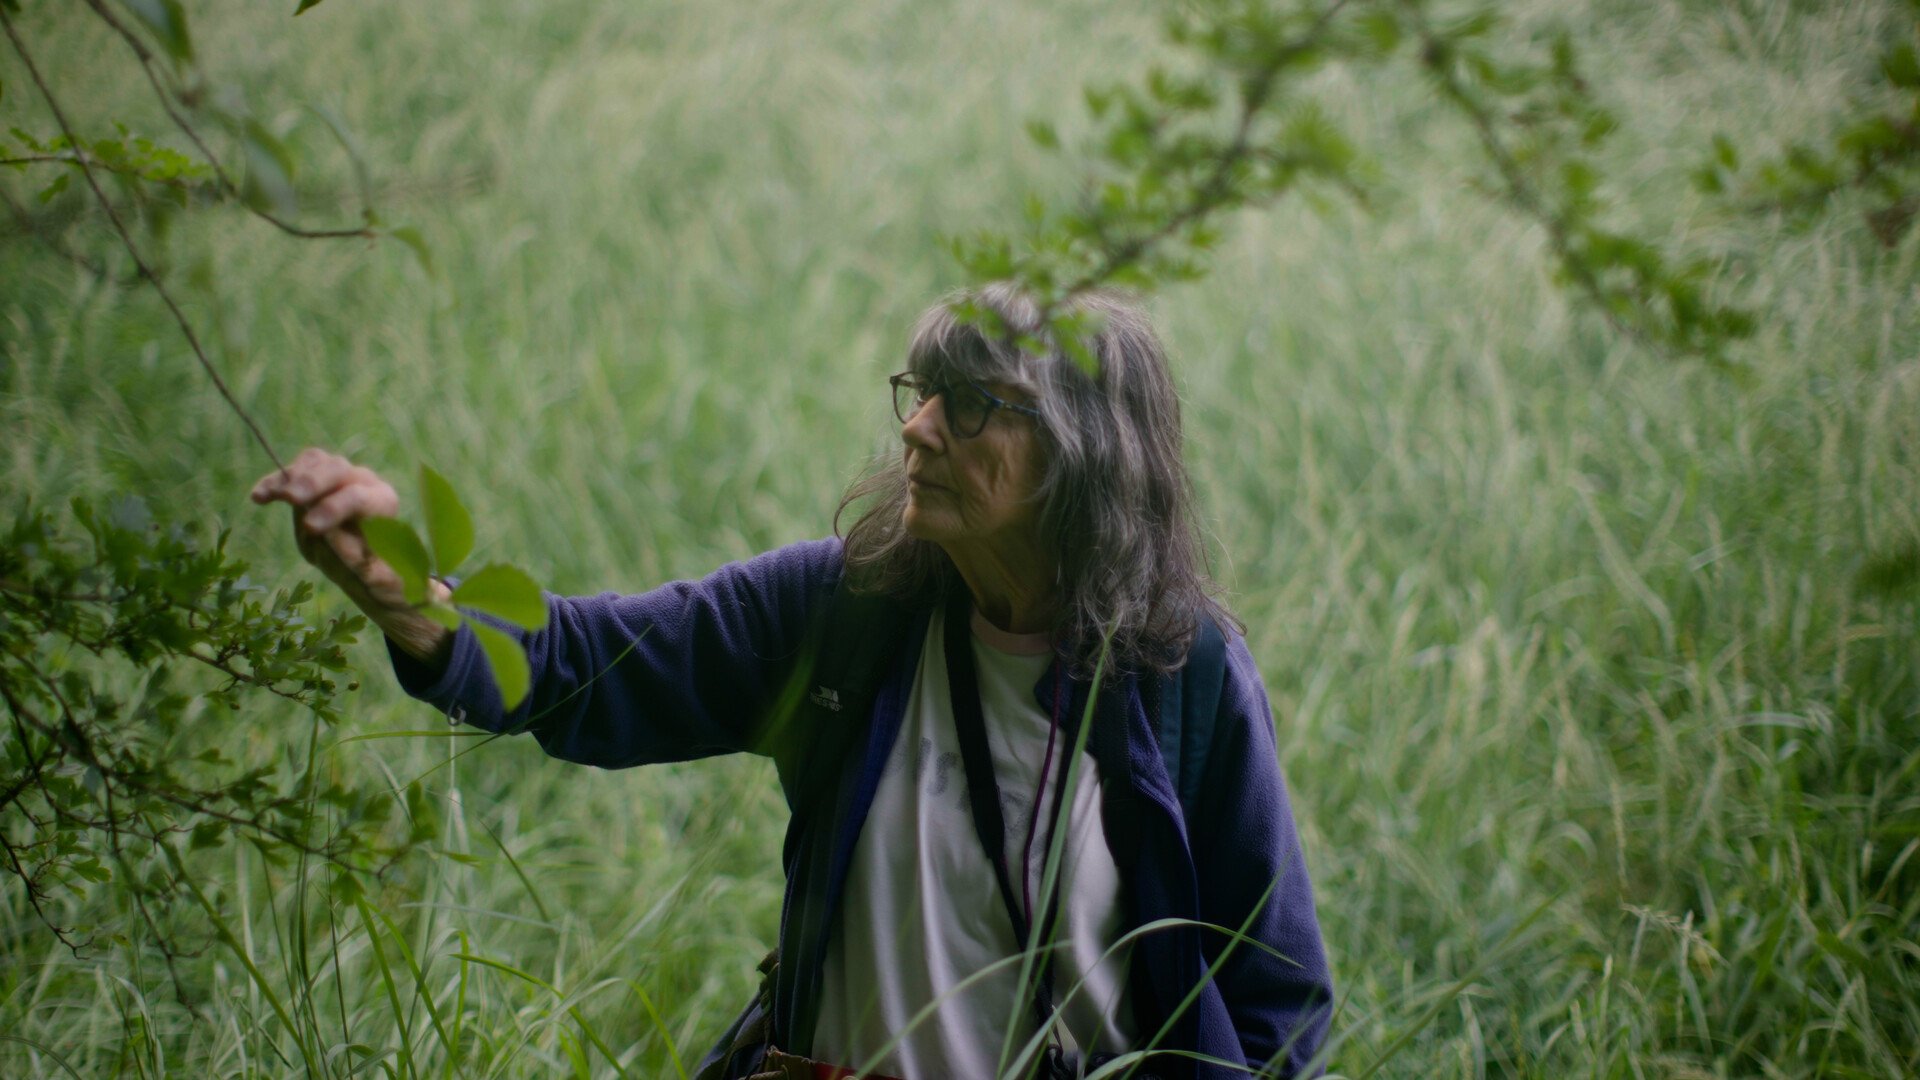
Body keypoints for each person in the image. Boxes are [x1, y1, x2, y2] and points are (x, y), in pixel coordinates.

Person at [252, 284, 1333, 1079]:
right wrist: (409, 598)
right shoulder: (848, 607)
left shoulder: (1182, 678)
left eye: (967, 404)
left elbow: (1277, 1005)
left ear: (1080, 454)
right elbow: (583, 668)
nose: (915, 427)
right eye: (921, 393)